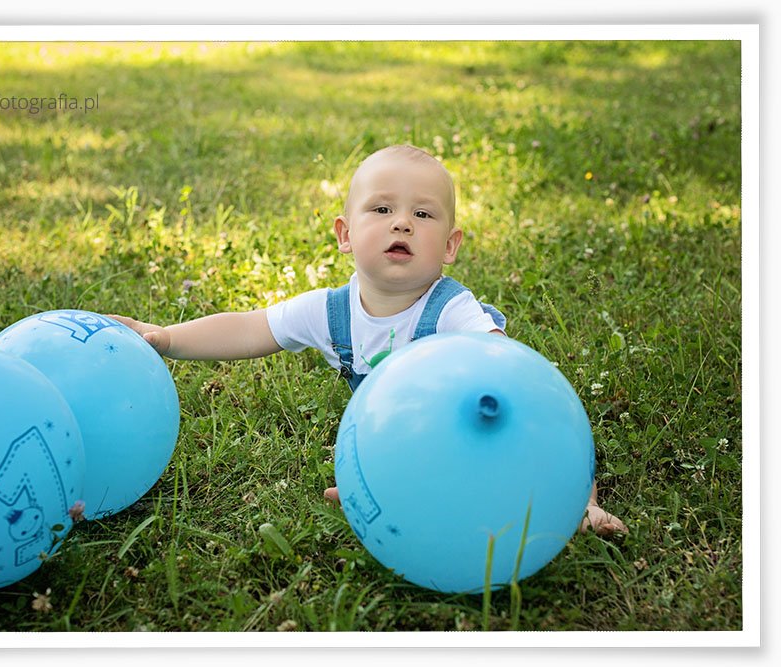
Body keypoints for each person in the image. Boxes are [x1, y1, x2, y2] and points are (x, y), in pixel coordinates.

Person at [111, 144, 627, 536]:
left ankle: (580, 503)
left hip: (480, 422)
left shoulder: (450, 309)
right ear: (345, 235)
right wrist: (168, 338)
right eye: (381, 210)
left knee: (537, 437)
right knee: (402, 466)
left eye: (422, 215)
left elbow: (505, 365)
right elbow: (252, 326)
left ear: (449, 246)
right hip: (408, 438)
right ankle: (382, 490)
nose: (402, 221)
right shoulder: (331, 312)